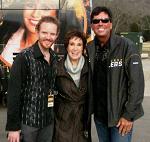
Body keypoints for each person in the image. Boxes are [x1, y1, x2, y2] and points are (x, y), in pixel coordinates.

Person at [86, 6, 144, 142]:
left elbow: (137, 84)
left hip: (121, 118)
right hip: (100, 117)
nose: (100, 23)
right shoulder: (89, 48)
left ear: (110, 24)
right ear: (92, 25)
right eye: (96, 21)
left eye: (104, 20)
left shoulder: (127, 46)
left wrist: (129, 115)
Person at [6, 16, 60, 142]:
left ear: (57, 35)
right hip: (28, 125)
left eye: (52, 33)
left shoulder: (55, 58)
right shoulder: (23, 58)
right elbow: (13, 94)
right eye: (44, 32)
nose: (48, 37)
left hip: (48, 123)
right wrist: (13, 127)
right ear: (37, 31)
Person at [53, 30, 93, 142]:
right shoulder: (57, 68)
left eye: (79, 44)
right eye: (72, 44)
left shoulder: (90, 68)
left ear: (83, 48)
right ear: (66, 47)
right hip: (62, 121)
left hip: (82, 122)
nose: (75, 48)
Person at [0, 0, 58, 66]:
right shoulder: (6, 32)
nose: (35, 14)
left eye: (45, 8)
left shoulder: (63, 50)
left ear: (56, 14)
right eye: (30, 5)